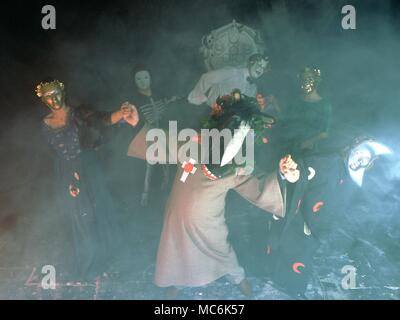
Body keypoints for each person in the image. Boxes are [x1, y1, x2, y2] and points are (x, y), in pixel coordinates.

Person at [154, 91, 301, 299]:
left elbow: (258, 186)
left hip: (209, 223)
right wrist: (133, 125)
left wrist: (283, 175)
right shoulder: (192, 143)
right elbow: (159, 144)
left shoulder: (236, 167)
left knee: (221, 251)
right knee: (176, 251)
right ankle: (177, 281)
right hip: (176, 219)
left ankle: (237, 277)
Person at [37, 79, 139, 282]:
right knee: (79, 215)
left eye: (56, 94)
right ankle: (89, 260)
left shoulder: (79, 113)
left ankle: (108, 256)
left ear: (62, 93)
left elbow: (103, 119)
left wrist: (122, 113)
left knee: (99, 208)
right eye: (48, 97)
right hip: (66, 171)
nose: (53, 99)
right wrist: (67, 177)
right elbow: (52, 155)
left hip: (89, 166)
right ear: (43, 100)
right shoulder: (44, 125)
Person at [127, 65, 179, 206]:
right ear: (134, 81)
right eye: (138, 78)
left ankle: (167, 190)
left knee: (168, 161)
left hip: (164, 133)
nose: (143, 81)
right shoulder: (133, 101)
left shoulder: (159, 94)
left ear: (150, 78)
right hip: (147, 136)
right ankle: (145, 196)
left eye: (145, 77)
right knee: (148, 166)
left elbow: (168, 111)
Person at [188, 53, 269, 107]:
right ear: (251, 62)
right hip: (209, 114)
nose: (260, 69)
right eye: (259, 64)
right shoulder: (233, 72)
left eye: (263, 68)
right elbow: (206, 78)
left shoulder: (253, 88)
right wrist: (196, 98)